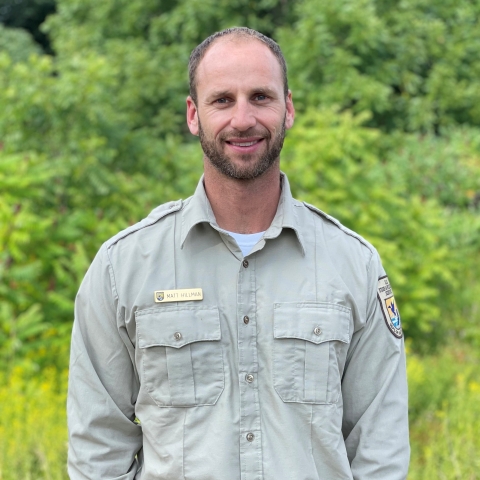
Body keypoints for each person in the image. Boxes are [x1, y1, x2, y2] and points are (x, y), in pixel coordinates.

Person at [67, 27, 410, 479]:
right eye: (222, 100)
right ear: (194, 115)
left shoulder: (355, 265)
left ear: (288, 109)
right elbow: (98, 448)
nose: (243, 119)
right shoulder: (122, 268)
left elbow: (379, 450)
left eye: (261, 97)